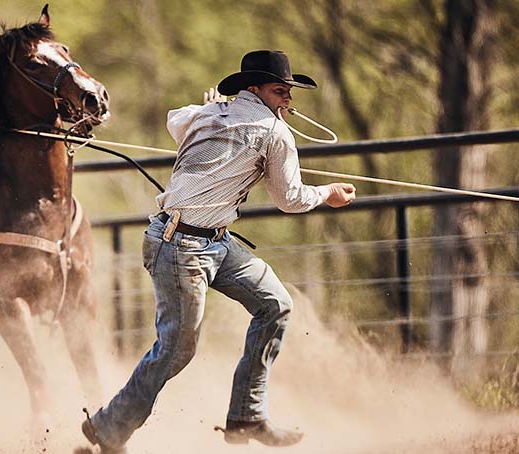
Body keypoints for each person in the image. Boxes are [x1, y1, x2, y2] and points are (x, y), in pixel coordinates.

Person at [80, 50, 356, 453]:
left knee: (274, 303)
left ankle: (247, 415)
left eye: (289, 94)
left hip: (203, 241)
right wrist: (327, 193)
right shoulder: (276, 134)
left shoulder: (204, 114)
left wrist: (209, 111)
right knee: (176, 349)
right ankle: (109, 427)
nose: (288, 101)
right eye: (281, 91)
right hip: (183, 248)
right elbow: (290, 199)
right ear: (255, 89)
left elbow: (175, 119)